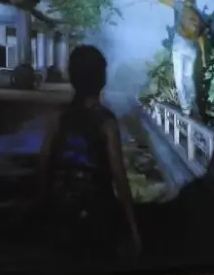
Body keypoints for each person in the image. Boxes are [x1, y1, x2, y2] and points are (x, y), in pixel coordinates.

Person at [37, 45, 142, 260]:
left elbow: (43, 164)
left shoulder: (59, 117)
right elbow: (119, 176)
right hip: (97, 212)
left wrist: (42, 206)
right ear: (102, 79)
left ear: (72, 78)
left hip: (62, 209)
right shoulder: (106, 121)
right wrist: (132, 227)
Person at [146, 0, 214, 118]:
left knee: (179, 78)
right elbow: (200, 36)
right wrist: (203, 57)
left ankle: (185, 109)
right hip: (191, 50)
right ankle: (193, 104)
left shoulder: (180, 5)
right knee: (188, 78)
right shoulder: (199, 14)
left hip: (178, 47)